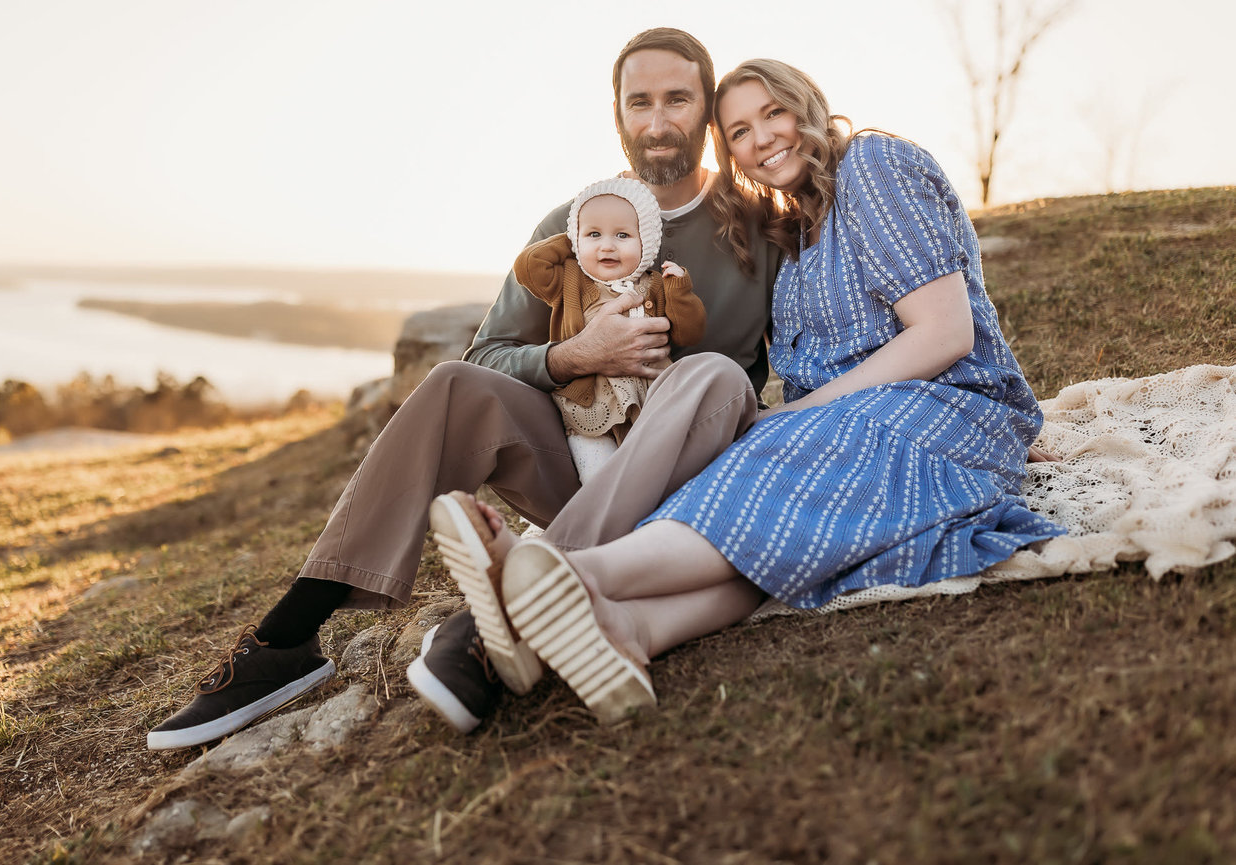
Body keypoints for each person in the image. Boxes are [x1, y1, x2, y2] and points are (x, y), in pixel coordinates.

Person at [146, 28, 780, 750]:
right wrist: (575, 353)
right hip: (583, 463)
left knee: (714, 374)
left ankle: (492, 621)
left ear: (705, 111)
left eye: (677, 99)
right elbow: (488, 356)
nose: (658, 120)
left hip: (695, 490)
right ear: (618, 114)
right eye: (641, 102)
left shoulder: (760, 226)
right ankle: (287, 637)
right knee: (452, 384)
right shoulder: (575, 227)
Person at [439, 57, 1069, 723]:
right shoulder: (791, 233)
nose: (762, 137)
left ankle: (563, 577)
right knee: (792, 521)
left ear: (810, 107)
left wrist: (808, 414)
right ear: (728, 151)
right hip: (870, 429)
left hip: (940, 410)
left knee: (786, 462)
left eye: (774, 113)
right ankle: (629, 630)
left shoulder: (873, 167)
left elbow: (944, 334)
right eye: (738, 131)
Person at [515, 176, 706, 481]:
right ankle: (600, 520)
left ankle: (646, 520)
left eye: (622, 234)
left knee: (653, 477)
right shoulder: (571, 281)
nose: (607, 246)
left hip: (648, 405)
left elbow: (690, 332)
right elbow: (528, 266)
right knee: (598, 478)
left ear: (646, 241)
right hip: (590, 407)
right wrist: (574, 237)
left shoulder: (654, 285)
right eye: (594, 235)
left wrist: (680, 289)